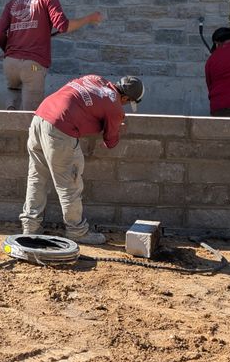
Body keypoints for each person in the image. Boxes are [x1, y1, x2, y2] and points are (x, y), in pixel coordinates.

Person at [20, 74, 145, 245]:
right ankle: (77, 232)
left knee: (37, 177)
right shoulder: (115, 105)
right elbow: (111, 141)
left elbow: (82, 102)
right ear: (125, 97)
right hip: (60, 128)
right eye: (126, 102)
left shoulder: (94, 79)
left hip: (40, 117)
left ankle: (30, 227)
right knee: (69, 183)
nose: (123, 105)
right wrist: (116, 125)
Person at [0, 0, 103, 111]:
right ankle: (26, 131)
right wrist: (89, 18)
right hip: (33, 66)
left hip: (10, 64)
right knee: (31, 114)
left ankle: (8, 126)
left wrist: (9, 52)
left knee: (13, 97)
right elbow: (63, 26)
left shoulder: (12, 2)